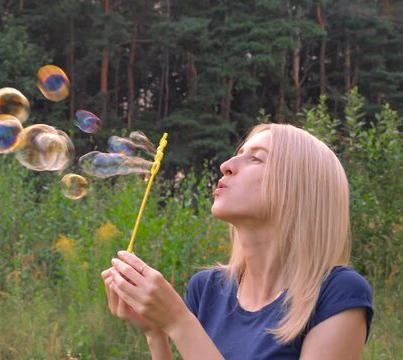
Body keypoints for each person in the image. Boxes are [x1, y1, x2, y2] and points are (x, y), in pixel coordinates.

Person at [101, 123, 373, 359]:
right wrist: (156, 333)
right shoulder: (206, 289)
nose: (226, 166)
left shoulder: (338, 294)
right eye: (237, 155)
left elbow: (183, 328)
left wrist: (179, 323)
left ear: (298, 188)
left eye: (255, 159)